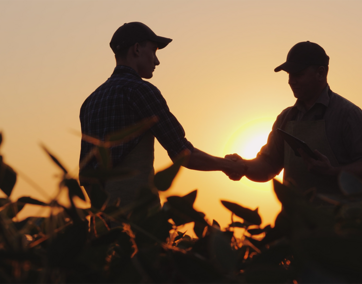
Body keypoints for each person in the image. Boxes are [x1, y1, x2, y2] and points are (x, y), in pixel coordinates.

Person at [79, 22, 243, 208]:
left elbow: (85, 174)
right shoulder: (141, 91)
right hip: (138, 220)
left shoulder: (90, 102)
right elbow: (183, 153)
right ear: (137, 49)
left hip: (102, 224)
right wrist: (228, 165)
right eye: (154, 51)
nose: (157, 61)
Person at [225, 41, 362, 197]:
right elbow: (267, 167)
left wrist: (333, 172)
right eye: (289, 75)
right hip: (294, 220)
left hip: (339, 219)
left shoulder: (348, 114)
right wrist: (242, 166)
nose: (291, 81)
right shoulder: (285, 118)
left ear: (321, 73)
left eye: (298, 74)